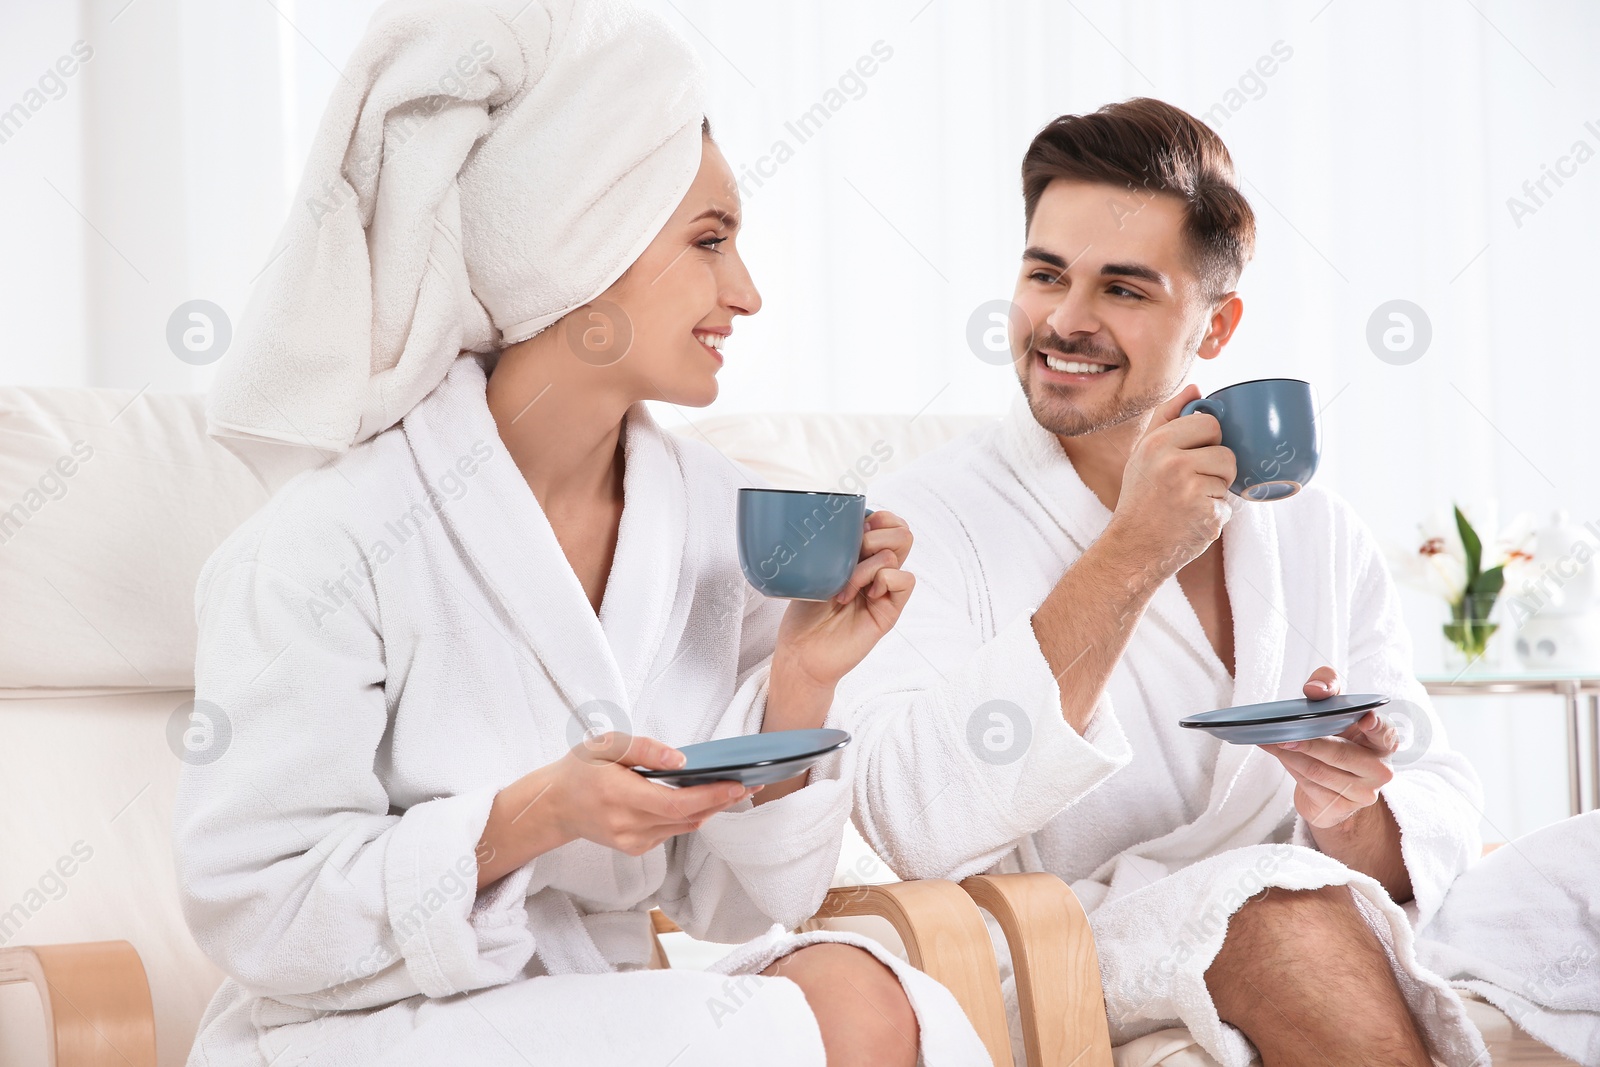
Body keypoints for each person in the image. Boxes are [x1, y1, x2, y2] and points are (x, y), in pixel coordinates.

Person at [173, 2, 990, 1065]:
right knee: (824, 1019)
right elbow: (259, 910)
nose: (746, 292)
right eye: (708, 241)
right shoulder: (329, 541)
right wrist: (533, 812)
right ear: (577, 256)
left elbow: (742, 908)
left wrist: (799, 688)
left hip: (591, 1007)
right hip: (367, 1030)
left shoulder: (713, 518)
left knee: (871, 985)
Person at [833, 98, 1490, 1067]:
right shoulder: (924, 520)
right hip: (1058, 945)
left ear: (1216, 326)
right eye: (1043, 272)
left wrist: (1352, 814)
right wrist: (1132, 552)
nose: (1063, 319)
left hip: (1314, 904)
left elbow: (1435, 792)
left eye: (1123, 290)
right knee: (1275, 909)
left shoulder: (1308, 526)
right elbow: (905, 819)